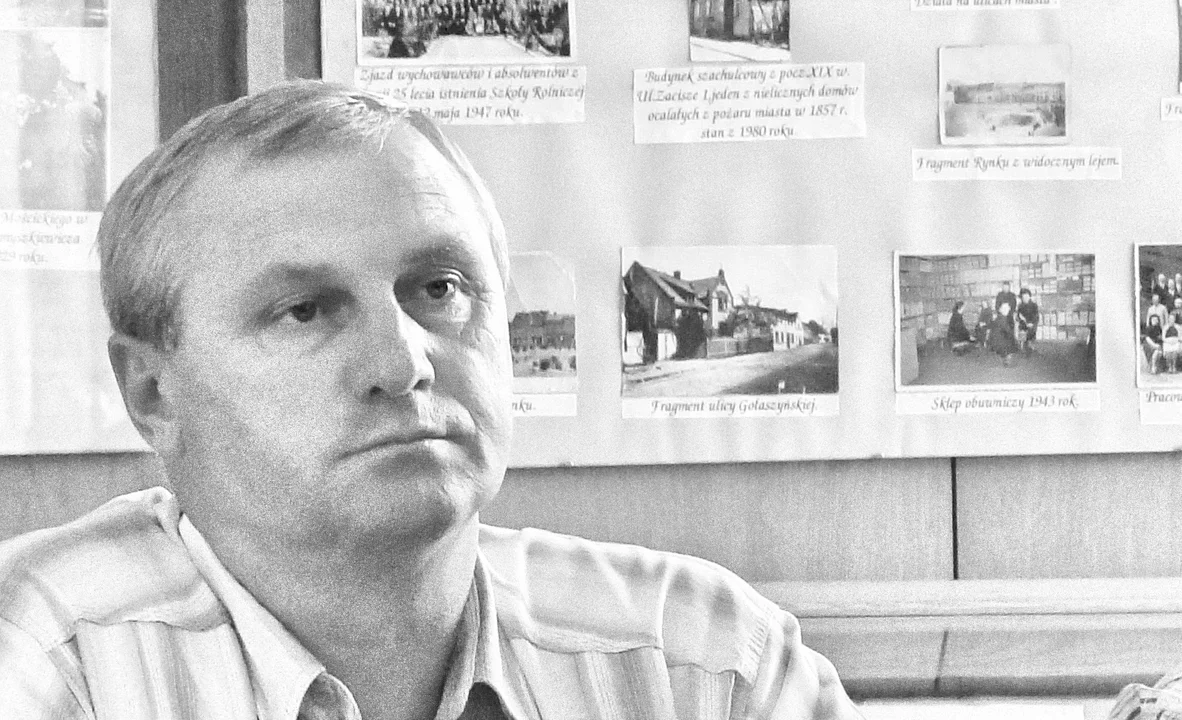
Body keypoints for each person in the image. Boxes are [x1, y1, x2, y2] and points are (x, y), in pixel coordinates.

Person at [0, 81, 860, 719]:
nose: (402, 362)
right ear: (155, 393)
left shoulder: (703, 661)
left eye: (439, 288)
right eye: (304, 310)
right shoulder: (39, 660)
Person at [1015, 289, 1038, 357]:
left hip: (1031, 325)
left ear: (1029, 296)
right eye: (1023, 297)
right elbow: (1018, 316)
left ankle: (1030, 347)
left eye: (1026, 297)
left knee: (1030, 333)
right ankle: (1022, 348)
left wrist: (1031, 323)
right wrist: (1020, 318)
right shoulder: (1020, 306)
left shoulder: (1034, 305)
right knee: (1021, 332)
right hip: (1023, 325)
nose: (1025, 299)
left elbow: (1036, 317)